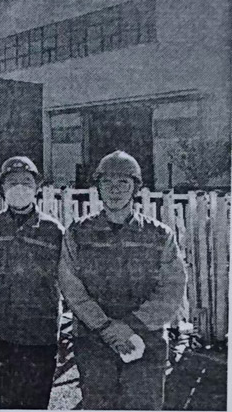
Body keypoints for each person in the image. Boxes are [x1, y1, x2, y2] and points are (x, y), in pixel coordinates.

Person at [59, 150, 187, 410]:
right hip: (94, 341)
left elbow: (172, 289)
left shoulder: (160, 235)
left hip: (146, 340)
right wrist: (105, 327)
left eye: (123, 183)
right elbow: (71, 287)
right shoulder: (78, 233)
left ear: (136, 188)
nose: (115, 190)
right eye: (107, 183)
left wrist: (130, 326)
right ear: (98, 188)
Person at [0, 156, 64, 409]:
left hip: (40, 333)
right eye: (12, 182)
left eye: (26, 182)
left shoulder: (54, 231)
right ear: (2, 188)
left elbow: (65, 279)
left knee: (36, 403)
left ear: (37, 187)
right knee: (4, 401)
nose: (19, 188)